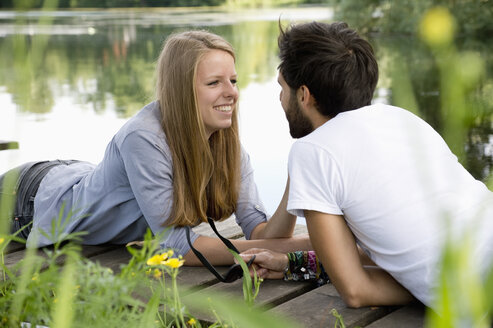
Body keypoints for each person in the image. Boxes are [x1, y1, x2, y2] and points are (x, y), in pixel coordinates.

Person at [0, 30, 310, 267]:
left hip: (73, 174)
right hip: (24, 203)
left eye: (233, 80)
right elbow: (175, 245)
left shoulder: (227, 146)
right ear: (182, 89)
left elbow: (261, 232)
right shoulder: (144, 138)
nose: (232, 93)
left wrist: (297, 180)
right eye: (215, 83)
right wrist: (303, 246)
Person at [239, 21, 493, 309]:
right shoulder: (402, 118)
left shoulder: (312, 152)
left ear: (304, 95)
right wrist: (291, 265)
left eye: (282, 88)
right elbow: (396, 251)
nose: (280, 98)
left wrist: (438, 284)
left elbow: (357, 291)